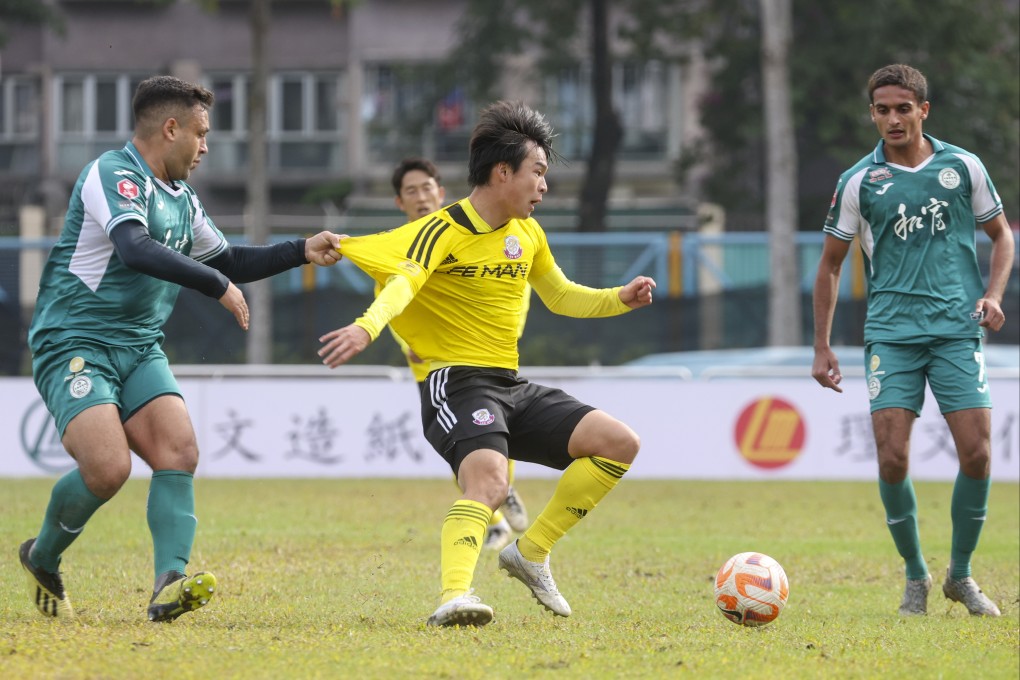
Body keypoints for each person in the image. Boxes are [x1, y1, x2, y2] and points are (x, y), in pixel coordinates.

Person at [320, 100, 655, 627]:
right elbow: (404, 282)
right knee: (490, 483)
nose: (544, 185)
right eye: (537, 172)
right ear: (503, 173)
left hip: (510, 384)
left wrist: (620, 297)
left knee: (619, 443)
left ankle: (532, 552)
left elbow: (563, 296)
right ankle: (454, 595)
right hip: (454, 383)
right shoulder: (443, 229)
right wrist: (367, 326)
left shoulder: (529, 234)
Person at [20, 75, 342, 622]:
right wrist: (214, 286)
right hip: (74, 340)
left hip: (140, 347)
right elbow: (133, 248)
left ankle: (168, 583)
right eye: (201, 133)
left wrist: (301, 251)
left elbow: (230, 261)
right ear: (171, 128)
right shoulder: (113, 174)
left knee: (179, 452)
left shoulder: (183, 201)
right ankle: (42, 555)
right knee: (107, 469)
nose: (206, 146)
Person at [812, 64, 1014, 617]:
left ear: (924, 110)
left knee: (976, 454)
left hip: (955, 330)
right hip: (891, 335)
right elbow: (830, 265)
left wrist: (993, 296)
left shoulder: (963, 166)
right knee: (893, 457)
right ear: (872, 114)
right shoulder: (860, 181)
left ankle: (962, 576)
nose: (893, 118)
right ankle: (916, 575)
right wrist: (822, 346)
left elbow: (1001, 236)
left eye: (904, 108)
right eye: (883, 109)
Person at [390, 156, 529, 551]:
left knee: (499, 434)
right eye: (410, 192)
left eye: (426, 188)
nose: (420, 197)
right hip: (431, 368)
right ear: (400, 203)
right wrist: (409, 345)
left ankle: (502, 497)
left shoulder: (470, 233)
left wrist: (504, 336)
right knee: (461, 449)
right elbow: (394, 299)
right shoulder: (402, 246)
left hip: (485, 357)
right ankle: (498, 514)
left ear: (441, 192)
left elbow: (514, 292)